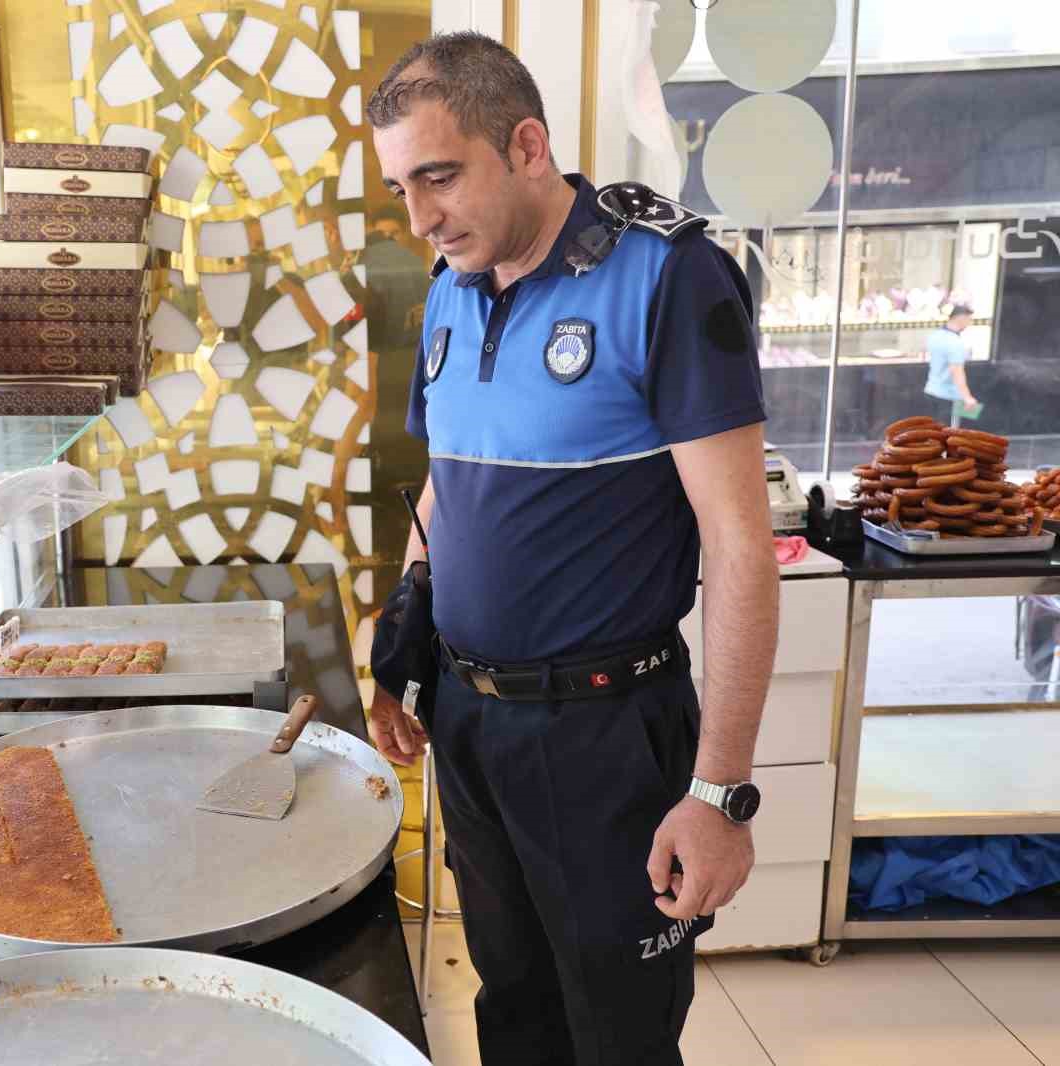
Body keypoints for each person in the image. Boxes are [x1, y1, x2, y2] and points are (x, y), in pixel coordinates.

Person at [365, 33, 779, 1066]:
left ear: (527, 145)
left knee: (619, 1038)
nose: (419, 216)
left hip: (604, 737)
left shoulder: (668, 277)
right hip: (471, 727)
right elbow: (448, 490)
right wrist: (402, 638)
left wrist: (719, 793)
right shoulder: (452, 289)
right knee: (513, 1012)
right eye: (400, 186)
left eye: (439, 175)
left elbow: (739, 546)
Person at [924, 304, 978, 427]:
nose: (969, 323)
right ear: (960, 318)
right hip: (949, 397)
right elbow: (957, 372)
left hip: (931, 390)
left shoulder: (935, 336)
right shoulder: (955, 343)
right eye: (969, 320)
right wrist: (967, 397)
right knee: (950, 435)